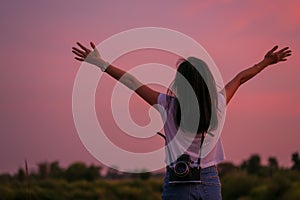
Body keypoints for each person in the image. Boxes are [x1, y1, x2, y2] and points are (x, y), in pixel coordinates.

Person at [72, 42, 291, 199]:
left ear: (179, 83)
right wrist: (265, 62)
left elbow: (131, 81)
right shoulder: (218, 104)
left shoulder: (166, 104)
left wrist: (100, 63)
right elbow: (240, 78)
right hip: (209, 182)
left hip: (178, 180)